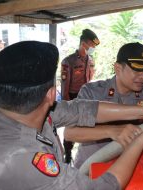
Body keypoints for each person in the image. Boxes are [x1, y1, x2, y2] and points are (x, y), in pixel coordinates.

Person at [0, 41, 143, 190]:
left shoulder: (19, 111)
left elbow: (81, 110)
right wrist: (140, 141)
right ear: (51, 94)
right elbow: (104, 186)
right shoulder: (26, 161)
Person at [61, 28, 100, 163]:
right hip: (73, 96)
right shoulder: (69, 61)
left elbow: (90, 77)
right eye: (92, 46)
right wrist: (66, 104)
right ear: (84, 44)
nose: (93, 48)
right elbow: (65, 84)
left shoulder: (90, 60)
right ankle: (68, 153)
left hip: (86, 97)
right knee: (71, 125)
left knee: (87, 124)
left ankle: (84, 152)